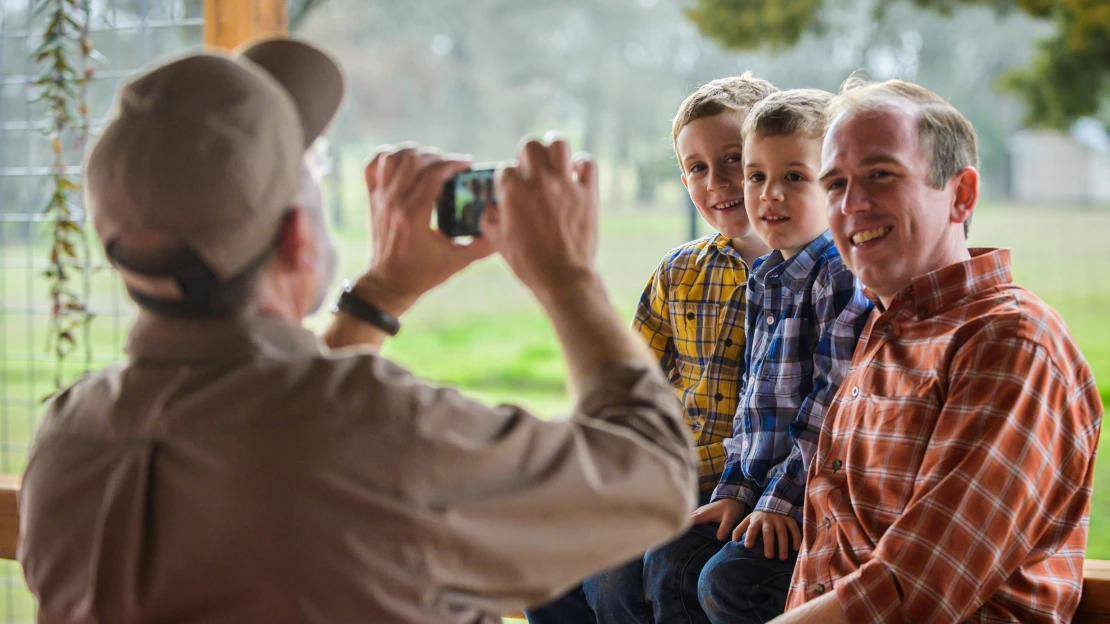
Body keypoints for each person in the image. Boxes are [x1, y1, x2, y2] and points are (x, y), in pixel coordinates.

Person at [16, 38, 699, 624]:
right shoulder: (384, 435)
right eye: (310, 166)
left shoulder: (70, 439)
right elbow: (655, 478)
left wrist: (376, 298)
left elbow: (272, 434)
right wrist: (567, 277)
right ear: (298, 237)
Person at [769, 78, 1103, 623]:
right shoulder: (891, 327)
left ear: (961, 195)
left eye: (881, 174)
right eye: (834, 184)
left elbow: (914, 590)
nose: (852, 204)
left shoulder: (1010, 342)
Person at [526, 73, 777, 624]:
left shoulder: (807, 276)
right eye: (697, 167)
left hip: (741, 484)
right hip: (663, 471)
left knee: (620, 581)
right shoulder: (680, 271)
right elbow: (634, 382)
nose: (718, 181)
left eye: (734, 159)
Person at [692, 88, 872, 623]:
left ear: (834, 186)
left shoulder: (839, 276)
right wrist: (735, 490)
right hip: (757, 492)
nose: (769, 195)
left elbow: (829, 404)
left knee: (727, 581)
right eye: (756, 177)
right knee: (666, 560)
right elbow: (752, 407)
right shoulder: (765, 278)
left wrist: (775, 501)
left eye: (794, 177)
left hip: (801, 502)